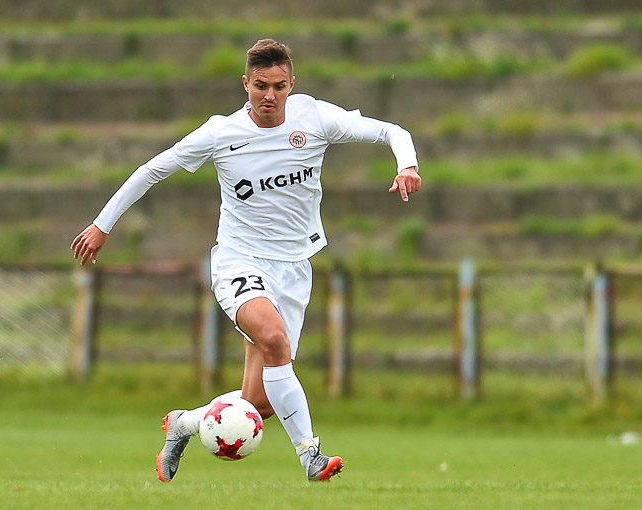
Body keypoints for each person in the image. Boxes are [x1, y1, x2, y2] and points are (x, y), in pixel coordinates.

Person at [71, 38, 421, 482]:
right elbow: (153, 169)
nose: (269, 96)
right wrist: (102, 225)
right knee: (274, 341)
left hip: (294, 268)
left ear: (292, 84)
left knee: (260, 403)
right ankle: (310, 456)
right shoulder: (222, 133)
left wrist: (407, 165)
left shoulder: (314, 117)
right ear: (245, 85)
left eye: (279, 86)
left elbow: (392, 131)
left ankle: (184, 423)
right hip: (240, 261)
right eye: (260, 86)